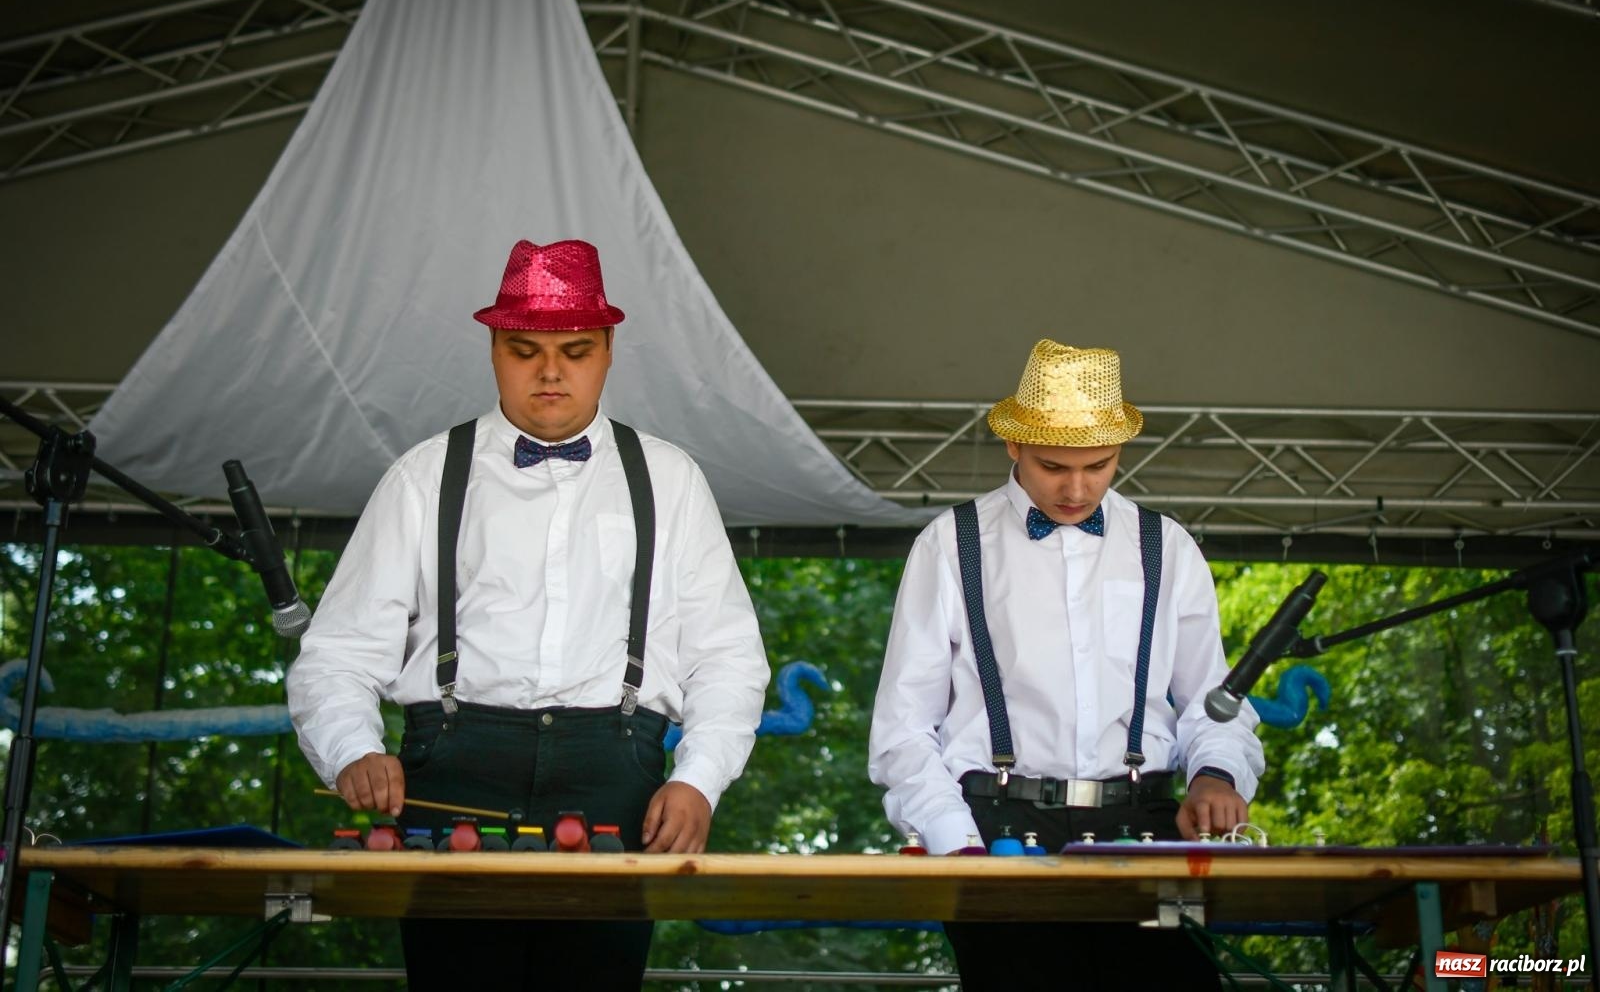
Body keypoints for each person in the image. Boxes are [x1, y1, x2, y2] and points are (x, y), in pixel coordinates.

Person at [287, 238, 770, 990]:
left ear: (609, 349)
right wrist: (352, 748)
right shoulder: (422, 477)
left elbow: (728, 657)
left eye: (575, 350)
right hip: (453, 767)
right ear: (493, 351)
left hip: (616, 773)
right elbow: (339, 654)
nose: (550, 371)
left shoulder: (671, 480)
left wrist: (699, 778)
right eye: (525, 350)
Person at [868, 339, 1264, 991]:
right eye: (1054, 466)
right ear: (1013, 447)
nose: (1077, 489)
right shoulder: (951, 544)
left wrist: (1216, 776)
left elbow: (1211, 702)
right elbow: (903, 730)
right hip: (995, 827)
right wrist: (955, 842)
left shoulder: (1166, 546)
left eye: (1099, 466)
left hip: (1145, 826)